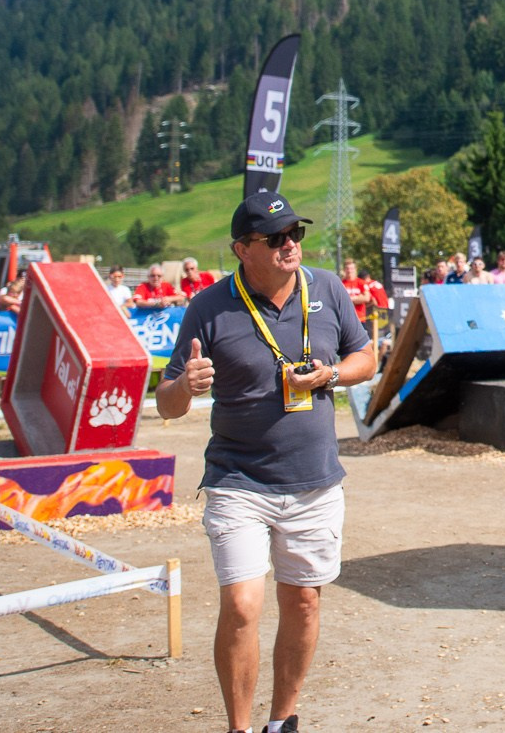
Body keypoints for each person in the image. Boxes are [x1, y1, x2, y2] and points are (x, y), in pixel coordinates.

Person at [155, 191, 375, 733]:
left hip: (316, 481)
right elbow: (165, 404)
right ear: (241, 249)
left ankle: (283, 720)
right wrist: (186, 385)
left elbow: (366, 358)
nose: (290, 245)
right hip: (238, 480)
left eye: (295, 234)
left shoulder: (327, 287)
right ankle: (239, 727)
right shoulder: (209, 306)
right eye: (275, 239)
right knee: (244, 605)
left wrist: (328, 375)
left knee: (303, 604)